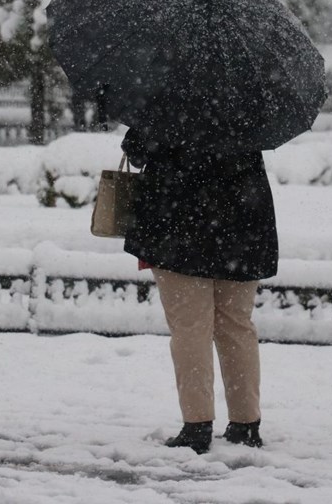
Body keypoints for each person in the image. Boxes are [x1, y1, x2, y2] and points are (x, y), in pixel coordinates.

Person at [122, 127, 278, 455]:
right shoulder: (251, 89)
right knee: (236, 325)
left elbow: (138, 151)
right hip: (243, 222)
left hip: (178, 221)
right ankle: (245, 423)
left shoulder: (166, 90)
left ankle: (197, 425)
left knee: (191, 327)